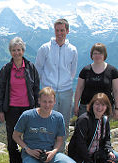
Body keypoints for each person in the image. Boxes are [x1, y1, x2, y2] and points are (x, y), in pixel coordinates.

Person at [12, 87, 80, 163]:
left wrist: (53, 152)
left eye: (50, 102)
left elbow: (60, 139)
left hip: (50, 155)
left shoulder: (58, 118)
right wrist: (27, 150)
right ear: (39, 101)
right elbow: (15, 136)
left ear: (54, 102)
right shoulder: (27, 116)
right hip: (31, 154)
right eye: (44, 102)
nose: (47, 105)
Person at [0, 37, 40, 163]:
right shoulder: (6, 69)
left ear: (23, 51)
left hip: (28, 108)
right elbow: (0, 89)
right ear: (10, 52)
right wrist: (0, 110)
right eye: (14, 50)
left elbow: (36, 88)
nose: (16, 53)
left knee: (30, 136)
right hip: (11, 109)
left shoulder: (31, 67)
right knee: (12, 137)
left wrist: (38, 107)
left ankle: (28, 161)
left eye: (19, 50)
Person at [35, 18, 78, 151]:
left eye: (62, 30)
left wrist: (65, 82)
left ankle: (59, 152)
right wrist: (47, 85)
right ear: (54, 31)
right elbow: (38, 69)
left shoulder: (72, 50)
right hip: (49, 92)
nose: (59, 33)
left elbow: (72, 72)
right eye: (57, 30)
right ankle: (46, 151)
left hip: (66, 91)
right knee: (48, 122)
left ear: (67, 31)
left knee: (63, 122)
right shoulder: (45, 48)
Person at [68, 93, 118, 163]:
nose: (99, 108)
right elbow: (80, 144)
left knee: (116, 157)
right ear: (92, 105)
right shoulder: (84, 120)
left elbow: (107, 139)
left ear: (107, 107)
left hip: (95, 155)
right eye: (97, 104)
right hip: (81, 156)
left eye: (103, 105)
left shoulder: (104, 120)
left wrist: (109, 150)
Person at [74, 43, 118, 119]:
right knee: (84, 129)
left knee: (102, 130)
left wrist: (117, 108)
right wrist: (76, 105)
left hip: (105, 108)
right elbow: (79, 89)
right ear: (91, 55)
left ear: (104, 55)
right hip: (86, 107)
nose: (97, 56)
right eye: (95, 53)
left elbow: (116, 91)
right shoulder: (85, 70)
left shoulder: (113, 71)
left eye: (100, 53)